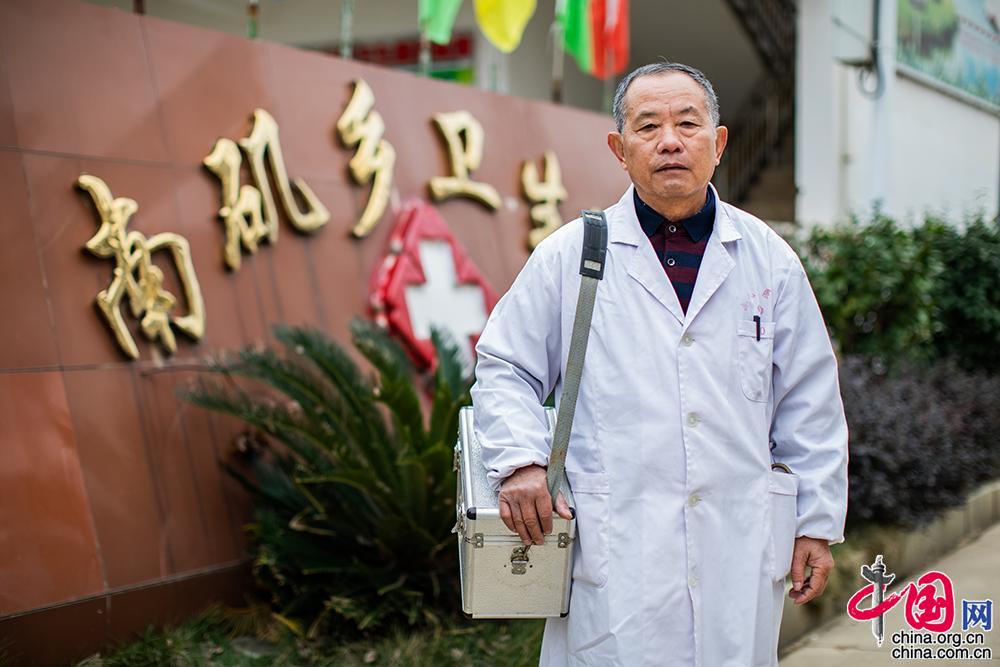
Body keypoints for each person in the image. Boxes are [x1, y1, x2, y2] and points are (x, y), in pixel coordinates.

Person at [470, 62, 849, 666]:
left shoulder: (769, 261)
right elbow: (504, 365)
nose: (670, 141)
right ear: (619, 149)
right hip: (616, 548)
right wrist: (520, 463)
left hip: (737, 545)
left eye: (688, 124)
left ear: (718, 143)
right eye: (648, 127)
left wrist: (815, 523)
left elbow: (810, 399)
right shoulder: (572, 256)